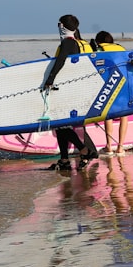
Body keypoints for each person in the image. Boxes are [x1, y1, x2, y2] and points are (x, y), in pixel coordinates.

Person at [43, 14, 97, 171]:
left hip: (69, 90)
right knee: (60, 124)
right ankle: (65, 159)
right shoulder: (81, 43)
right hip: (79, 88)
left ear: (62, 26)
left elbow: (60, 61)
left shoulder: (68, 42)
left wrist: (50, 79)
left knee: (61, 125)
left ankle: (84, 150)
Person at [93, 31, 128, 154]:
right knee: (124, 116)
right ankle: (121, 147)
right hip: (124, 83)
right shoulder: (120, 48)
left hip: (109, 84)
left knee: (108, 114)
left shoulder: (99, 50)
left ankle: (108, 146)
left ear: (98, 41)